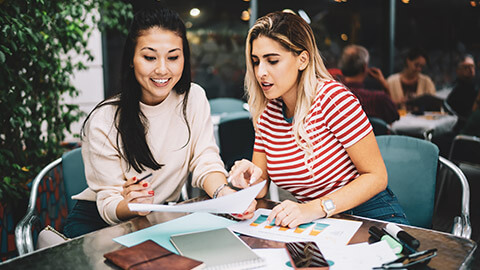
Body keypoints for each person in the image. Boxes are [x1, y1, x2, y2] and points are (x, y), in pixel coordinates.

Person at [63, 6, 254, 238]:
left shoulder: (193, 98)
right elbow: (108, 202)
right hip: (99, 225)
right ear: (132, 59)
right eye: (149, 57)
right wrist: (132, 203)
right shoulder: (105, 119)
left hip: (154, 219)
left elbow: (205, 159)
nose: (162, 69)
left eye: (173, 57)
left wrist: (224, 194)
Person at [229, 11, 408, 229]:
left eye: (272, 61)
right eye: (256, 62)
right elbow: (261, 186)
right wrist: (247, 178)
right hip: (319, 223)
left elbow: (377, 176)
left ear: (302, 59)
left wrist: (313, 208)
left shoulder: (333, 99)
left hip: (370, 216)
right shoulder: (268, 114)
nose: (261, 72)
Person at [338, 45, 399, 124]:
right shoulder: (379, 98)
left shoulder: (334, 95)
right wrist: (384, 84)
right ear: (364, 67)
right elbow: (394, 115)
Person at [446, 54, 478, 121]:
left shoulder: (476, 86)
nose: (470, 69)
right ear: (458, 70)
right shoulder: (454, 90)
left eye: (472, 66)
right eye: (466, 67)